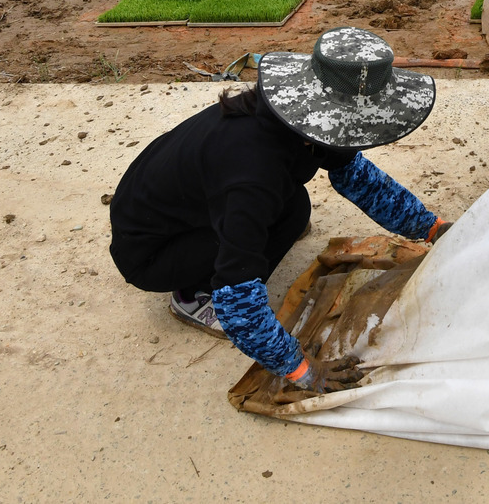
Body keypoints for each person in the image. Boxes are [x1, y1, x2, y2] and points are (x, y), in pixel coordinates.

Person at [109, 28, 451, 393]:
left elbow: (359, 179)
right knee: (254, 240)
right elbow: (237, 296)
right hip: (151, 251)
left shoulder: (301, 119)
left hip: (191, 206)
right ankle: (191, 298)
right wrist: (302, 370)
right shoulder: (252, 172)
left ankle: (221, 249)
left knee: (294, 208)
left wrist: (432, 228)